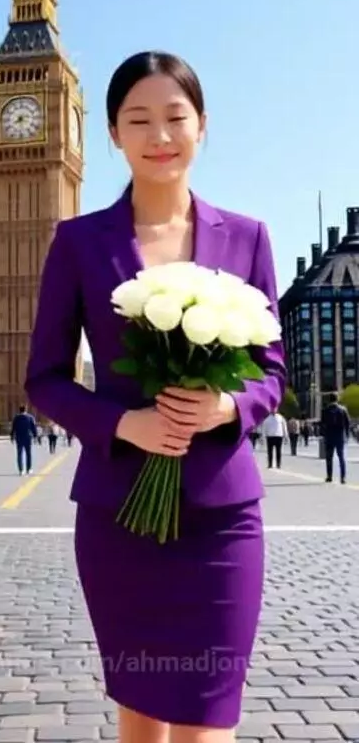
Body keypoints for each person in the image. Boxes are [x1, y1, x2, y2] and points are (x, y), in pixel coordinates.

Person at [24, 51, 286, 743]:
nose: (159, 135)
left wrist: (228, 407)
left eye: (175, 117)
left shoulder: (250, 236)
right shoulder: (79, 242)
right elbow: (43, 377)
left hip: (224, 517)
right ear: (111, 133)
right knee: (141, 721)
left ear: (203, 127)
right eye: (138, 119)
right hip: (120, 516)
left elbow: (273, 372)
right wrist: (124, 425)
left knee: (206, 720)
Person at [321, 391, 350, 484]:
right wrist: (347, 434)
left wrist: (324, 435)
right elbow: (347, 423)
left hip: (329, 436)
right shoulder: (343, 409)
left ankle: (329, 476)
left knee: (329, 457)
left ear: (329, 400)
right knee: (341, 457)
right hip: (340, 436)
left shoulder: (325, 410)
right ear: (337, 399)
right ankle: (343, 477)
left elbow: (322, 424)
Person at [10, 405, 37, 475]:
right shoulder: (30, 417)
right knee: (28, 454)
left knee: (19, 454)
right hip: (28, 438)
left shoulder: (16, 418)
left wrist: (12, 437)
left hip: (19, 438)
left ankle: (21, 470)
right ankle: (29, 469)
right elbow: (33, 428)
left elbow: (13, 428)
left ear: (19, 410)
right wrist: (35, 436)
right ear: (26, 410)